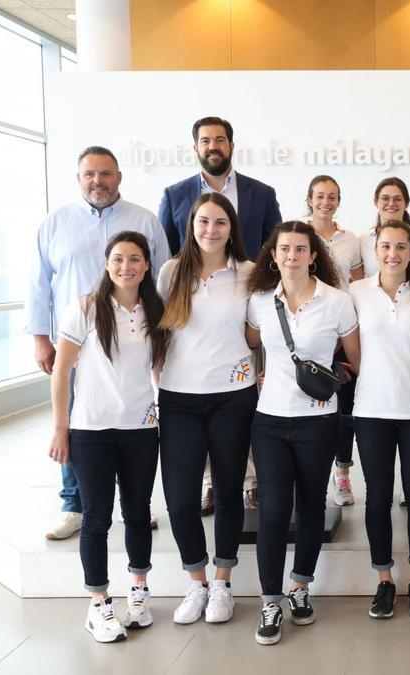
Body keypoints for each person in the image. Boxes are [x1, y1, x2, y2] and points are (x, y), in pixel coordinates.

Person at [28, 146, 169, 541]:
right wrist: (41, 337)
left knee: (129, 415)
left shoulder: (144, 220)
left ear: (118, 177)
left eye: (105, 173)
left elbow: (164, 278)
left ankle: (132, 504)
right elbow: (38, 283)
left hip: (133, 334)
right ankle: (74, 504)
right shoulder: (56, 223)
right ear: (78, 178)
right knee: (76, 420)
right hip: (76, 339)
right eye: (89, 174)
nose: (98, 181)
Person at [46, 231, 169, 643]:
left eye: (135, 259)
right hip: (90, 431)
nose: (126, 267)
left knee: (138, 513)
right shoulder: (83, 309)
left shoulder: (156, 309)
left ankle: (138, 592)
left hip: (140, 428)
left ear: (147, 265)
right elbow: (62, 371)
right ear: (106, 262)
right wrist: (60, 427)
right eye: (118, 259)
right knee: (96, 518)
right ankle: (99, 604)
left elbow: (159, 370)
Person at [244, 221, 361, 645]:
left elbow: (355, 361)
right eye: (283, 249)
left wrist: (332, 378)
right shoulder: (258, 301)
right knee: (274, 510)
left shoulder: (338, 301)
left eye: (300, 249)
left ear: (315, 255)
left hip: (319, 418)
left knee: (311, 505)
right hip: (270, 418)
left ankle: (300, 587)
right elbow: (250, 343)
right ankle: (271, 600)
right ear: (272, 255)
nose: (291, 256)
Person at [156, 193, 256, 625]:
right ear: (191, 226)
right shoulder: (170, 272)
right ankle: (195, 582)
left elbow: (258, 332)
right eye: (203, 222)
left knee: (230, 490)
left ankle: (222, 582)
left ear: (231, 227)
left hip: (233, 395)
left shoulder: (249, 274)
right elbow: (156, 333)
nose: (211, 230)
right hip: (179, 397)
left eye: (219, 222)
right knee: (180, 499)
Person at [350, 221, 410, 620]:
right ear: (374, 250)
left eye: (401, 247)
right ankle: (384, 580)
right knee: (378, 497)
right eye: (386, 246)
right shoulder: (356, 293)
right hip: (371, 412)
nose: (393, 254)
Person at [304, 174, 364, 506]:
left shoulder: (350, 239)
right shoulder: (298, 236)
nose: (326, 202)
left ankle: (342, 474)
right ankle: (311, 477)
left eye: (332, 197)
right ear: (309, 199)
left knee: (344, 411)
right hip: (310, 335)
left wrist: (347, 335)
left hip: (345, 333)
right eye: (320, 196)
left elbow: (356, 284)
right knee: (312, 409)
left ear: (339, 201)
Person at [157, 116, 283, 258]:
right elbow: (165, 251)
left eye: (220, 140)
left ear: (232, 146)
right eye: (205, 141)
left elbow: (277, 245)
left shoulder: (263, 194)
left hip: (248, 279)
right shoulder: (173, 196)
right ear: (196, 148)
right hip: (191, 279)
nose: (213, 147)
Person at [360, 178, 410, 277]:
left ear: (407, 203)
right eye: (385, 198)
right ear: (376, 202)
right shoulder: (363, 241)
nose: (391, 203)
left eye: (397, 199)